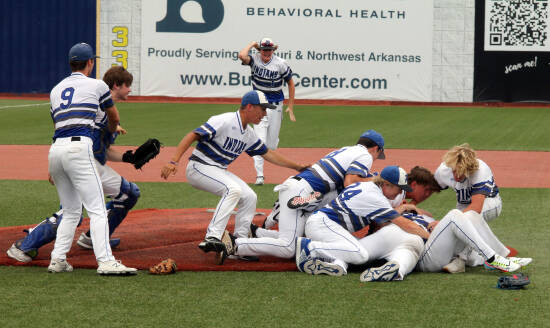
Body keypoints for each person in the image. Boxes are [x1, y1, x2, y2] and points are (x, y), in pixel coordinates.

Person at [6, 66, 139, 263]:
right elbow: (78, 138)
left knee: (128, 194)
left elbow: (102, 150)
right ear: (116, 85)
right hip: (81, 161)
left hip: (85, 161)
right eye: (128, 86)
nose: (130, 90)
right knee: (72, 213)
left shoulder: (101, 108)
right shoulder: (100, 107)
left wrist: (128, 158)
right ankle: (25, 246)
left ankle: (92, 239)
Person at [160, 90, 308, 261]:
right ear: (250, 107)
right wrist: (173, 161)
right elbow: (193, 135)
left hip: (218, 170)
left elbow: (268, 154)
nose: (265, 113)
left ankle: (239, 245)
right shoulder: (224, 120)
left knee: (250, 196)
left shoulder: (249, 134)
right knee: (233, 189)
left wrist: (297, 167)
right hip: (199, 167)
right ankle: (213, 237)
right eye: (263, 109)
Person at [220, 129, 386, 262]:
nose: (377, 157)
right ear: (376, 148)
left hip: (298, 186)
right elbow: (351, 182)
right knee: (288, 248)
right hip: (302, 189)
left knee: (299, 236)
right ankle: (235, 244)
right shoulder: (365, 155)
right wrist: (377, 179)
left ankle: (256, 233)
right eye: (379, 154)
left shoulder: (347, 150)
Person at [45, 42, 136, 274]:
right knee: (96, 209)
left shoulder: (55, 89)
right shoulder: (97, 85)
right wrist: (114, 127)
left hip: (56, 150)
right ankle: (105, 261)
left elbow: (57, 124)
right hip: (79, 147)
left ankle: (57, 259)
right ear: (90, 63)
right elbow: (112, 114)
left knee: (71, 210)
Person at [294, 166, 430, 277]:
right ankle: (310, 248)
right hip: (324, 225)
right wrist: (430, 238)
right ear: (386, 184)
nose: (400, 192)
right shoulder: (375, 197)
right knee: (361, 254)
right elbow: (406, 225)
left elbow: (385, 222)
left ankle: (335, 265)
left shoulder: (368, 187)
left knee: (350, 252)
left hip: (326, 225)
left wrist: (404, 207)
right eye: (399, 188)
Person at [357, 166, 442, 281]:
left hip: (396, 234)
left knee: (354, 252)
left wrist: (408, 207)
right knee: (405, 255)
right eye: (426, 190)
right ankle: (399, 270)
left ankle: (338, 261)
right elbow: (382, 224)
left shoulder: (398, 197)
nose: (427, 195)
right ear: (414, 185)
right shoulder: (394, 196)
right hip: (410, 235)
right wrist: (433, 238)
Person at [434, 143, 509, 271]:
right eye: (454, 171)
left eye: (460, 172)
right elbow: (429, 188)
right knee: (457, 229)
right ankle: (482, 254)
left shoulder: (480, 170)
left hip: (490, 203)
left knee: (468, 217)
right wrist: (413, 203)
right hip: (463, 206)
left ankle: (460, 261)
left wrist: (442, 222)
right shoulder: (444, 170)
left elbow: (476, 207)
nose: (456, 176)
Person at [238, 37, 295, 185]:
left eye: (269, 50)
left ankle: (261, 137)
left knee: (271, 146)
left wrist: (290, 106)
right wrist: (252, 44)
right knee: (260, 142)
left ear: (273, 50)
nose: (267, 52)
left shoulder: (280, 63)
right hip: (260, 105)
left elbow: (290, 82)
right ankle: (260, 176)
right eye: (264, 49)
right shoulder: (254, 59)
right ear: (260, 50)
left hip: (276, 105)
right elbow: (241, 56)